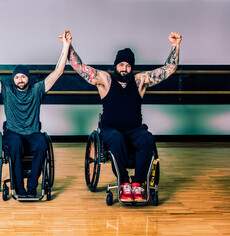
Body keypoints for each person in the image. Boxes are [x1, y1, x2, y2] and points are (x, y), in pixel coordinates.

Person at [68, 32, 182, 202]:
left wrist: (175, 45)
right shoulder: (105, 80)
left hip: (135, 130)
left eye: (128, 65)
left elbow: (169, 70)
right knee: (116, 138)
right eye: (121, 64)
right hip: (110, 131)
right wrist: (67, 45)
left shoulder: (140, 81)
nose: (124, 68)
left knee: (148, 138)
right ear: (115, 66)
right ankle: (123, 183)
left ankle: (137, 183)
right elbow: (79, 67)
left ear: (132, 67)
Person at [0, 30, 72, 198]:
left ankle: (32, 185)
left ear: (28, 78)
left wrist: (65, 46)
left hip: (32, 133)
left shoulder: (37, 90)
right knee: (14, 144)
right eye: (17, 77)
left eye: (23, 77)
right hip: (13, 133)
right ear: (13, 80)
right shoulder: (7, 90)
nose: (20, 79)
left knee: (42, 143)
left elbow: (57, 72)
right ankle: (19, 187)